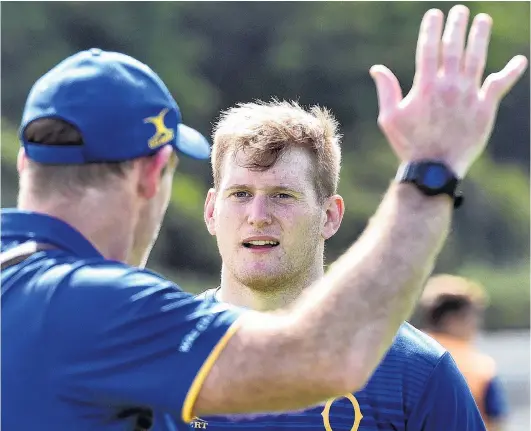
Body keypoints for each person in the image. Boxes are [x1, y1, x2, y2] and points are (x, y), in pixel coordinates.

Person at [0, 4, 526, 431]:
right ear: (152, 175)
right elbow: (324, 358)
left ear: (26, 161)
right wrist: (431, 171)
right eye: (240, 194)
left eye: (281, 196)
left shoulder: (421, 373)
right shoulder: (115, 313)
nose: (257, 215)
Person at [419, 274, 509, 430]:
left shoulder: (402, 356)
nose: (476, 324)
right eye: (472, 317)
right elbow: (496, 422)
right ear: (452, 320)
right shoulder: (480, 367)